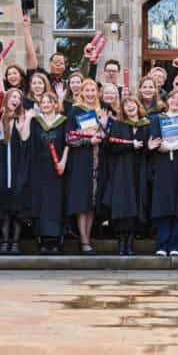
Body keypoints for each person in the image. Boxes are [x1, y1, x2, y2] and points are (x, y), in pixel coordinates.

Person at [147, 89, 178, 256]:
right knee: (163, 205)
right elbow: (155, 139)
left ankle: (176, 245)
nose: (176, 101)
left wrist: (169, 146)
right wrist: (162, 146)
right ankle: (162, 244)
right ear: (168, 99)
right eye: (173, 98)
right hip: (162, 167)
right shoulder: (157, 119)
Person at [101, 97, 150, 255]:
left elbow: (148, 149)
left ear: (138, 106)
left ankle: (131, 242)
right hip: (123, 170)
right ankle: (122, 242)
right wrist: (131, 145)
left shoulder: (146, 125)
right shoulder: (118, 125)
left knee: (137, 203)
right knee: (123, 204)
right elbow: (111, 146)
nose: (130, 107)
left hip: (140, 170)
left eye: (132, 104)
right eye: (126, 105)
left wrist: (147, 147)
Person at [22, 93, 70, 254]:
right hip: (39, 167)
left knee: (56, 201)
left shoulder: (63, 121)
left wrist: (63, 161)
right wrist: (28, 118)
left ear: (56, 104)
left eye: (50, 102)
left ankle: (56, 238)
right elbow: (25, 137)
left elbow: (67, 143)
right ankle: (42, 238)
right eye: (43, 102)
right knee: (41, 202)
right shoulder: (36, 121)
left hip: (57, 167)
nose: (47, 104)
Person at [65, 78, 105, 254]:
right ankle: (84, 241)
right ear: (81, 93)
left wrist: (104, 126)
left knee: (92, 203)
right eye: (86, 91)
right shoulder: (75, 110)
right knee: (82, 202)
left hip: (97, 161)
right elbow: (69, 138)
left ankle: (88, 237)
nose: (90, 94)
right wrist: (88, 141)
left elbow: (105, 136)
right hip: (81, 160)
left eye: (92, 90)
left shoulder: (100, 111)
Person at [0, 88, 30, 254]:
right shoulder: (0, 117)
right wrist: (1, 119)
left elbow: (25, 138)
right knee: (4, 206)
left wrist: (24, 123)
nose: (16, 100)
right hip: (2, 166)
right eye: (13, 96)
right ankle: (5, 240)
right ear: (7, 98)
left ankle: (15, 241)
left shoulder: (22, 117)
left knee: (17, 205)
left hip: (18, 166)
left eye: (19, 98)